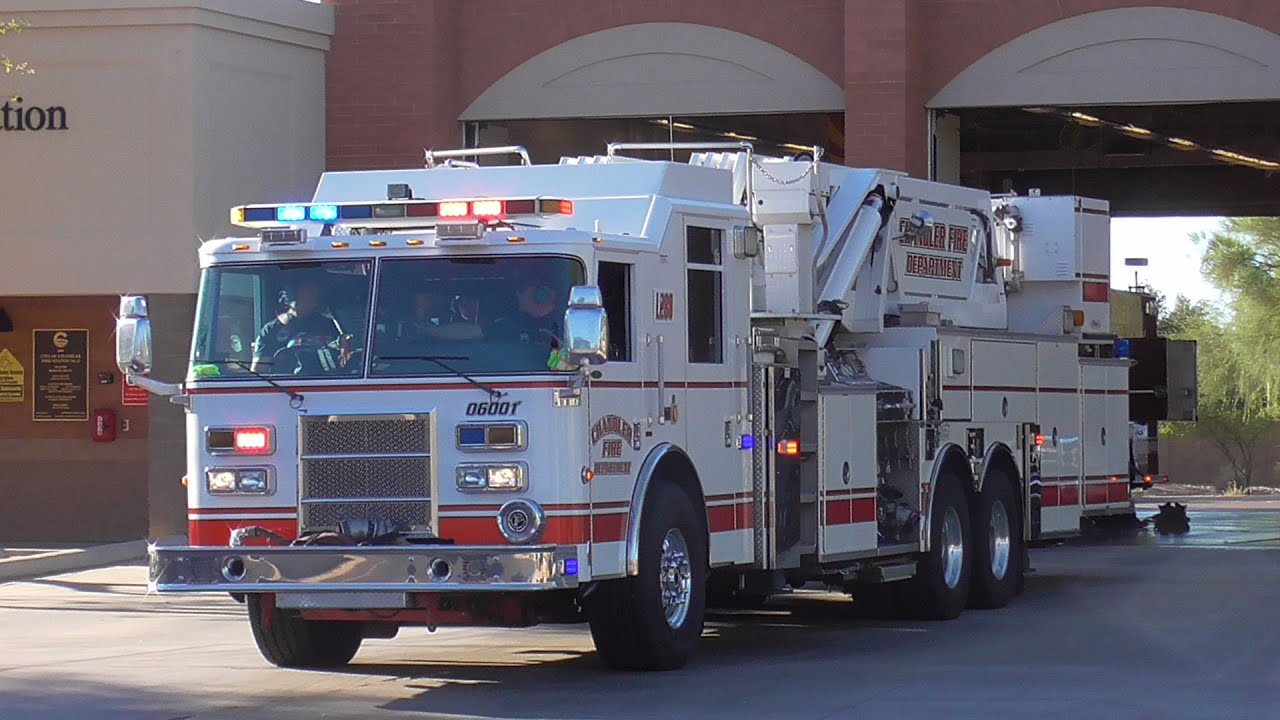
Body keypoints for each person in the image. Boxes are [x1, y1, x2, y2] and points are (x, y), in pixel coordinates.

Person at [251, 278, 344, 372]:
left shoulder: (328, 325)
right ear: (292, 295)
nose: (315, 296)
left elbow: (343, 358)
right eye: (309, 292)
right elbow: (258, 369)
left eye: (315, 292)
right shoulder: (271, 329)